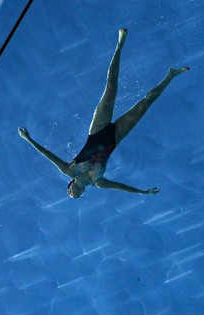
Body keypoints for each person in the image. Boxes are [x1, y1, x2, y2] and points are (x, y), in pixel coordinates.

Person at [18, 28, 189, 198]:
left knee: (111, 88)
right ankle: (171, 75)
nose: (72, 194)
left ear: (70, 185)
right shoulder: (99, 182)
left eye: (69, 192)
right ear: (83, 192)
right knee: (145, 104)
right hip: (114, 138)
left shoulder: (69, 170)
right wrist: (143, 192)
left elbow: (48, 155)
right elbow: (122, 187)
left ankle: (119, 45)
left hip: (97, 130)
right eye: (75, 196)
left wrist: (28, 139)